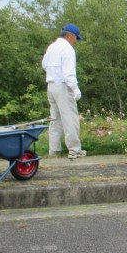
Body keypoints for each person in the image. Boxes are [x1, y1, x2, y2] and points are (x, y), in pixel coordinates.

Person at [42, 24, 86, 159]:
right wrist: (75, 88)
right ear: (69, 36)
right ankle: (74, 150)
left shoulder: (51, 47)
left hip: (51, 85)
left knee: (55, 119)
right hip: (63, 86)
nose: (75, 42)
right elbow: (68, 73)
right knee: (70, 118)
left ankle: (54, 150)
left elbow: (44, 65)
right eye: (75, 39)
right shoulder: (67, 49)